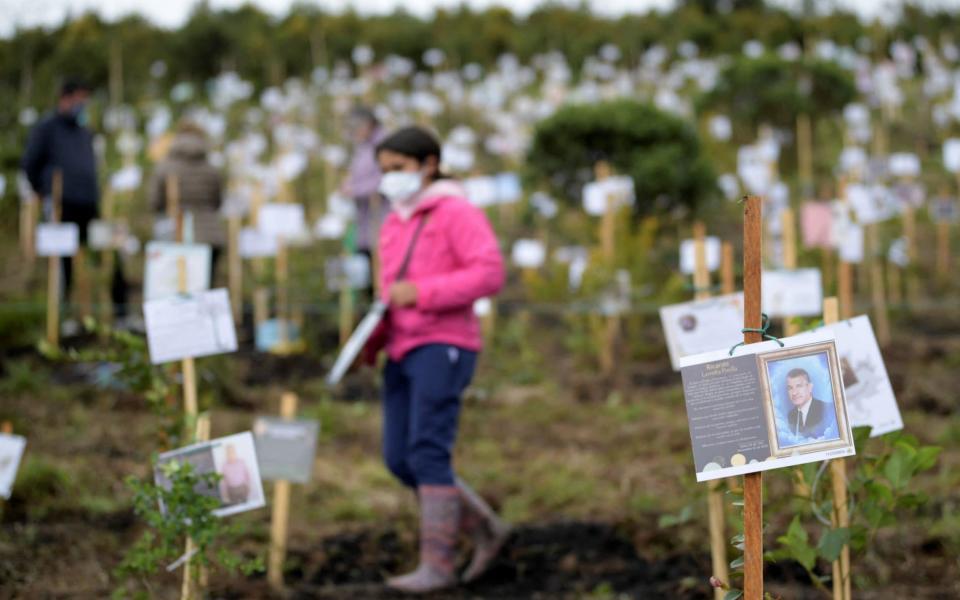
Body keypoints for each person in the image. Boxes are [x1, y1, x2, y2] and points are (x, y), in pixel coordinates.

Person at [373, 126, 509, 593]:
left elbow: (489, 273)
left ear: (429, 163)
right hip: (401, 346)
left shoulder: (456, 212)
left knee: (428, 451)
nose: (390, 178)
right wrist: (371, 341)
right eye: (384, 170)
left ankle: (438, 565)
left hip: (444, 343)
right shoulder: (395, 220)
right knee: (398, 457)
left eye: (399, 168)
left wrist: (424, 293)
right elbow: (390, 295)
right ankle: (485, 527)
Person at [22, 78, 128, 318]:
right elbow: (29, 164)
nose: (83, 105)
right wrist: (43, 190)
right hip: (62, 207)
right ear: (65, 98)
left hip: (90, 205)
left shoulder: (84, 132)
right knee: (63, 264)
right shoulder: (46, 129)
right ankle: (63, 317)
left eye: (86, 100)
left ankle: (121, 314)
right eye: (79, 99)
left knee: (111, 253)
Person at [149, 120, 226, 279]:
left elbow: (154, 202)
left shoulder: (164, 167)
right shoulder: (212, 169)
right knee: (204, 288)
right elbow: (217, 202)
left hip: (174, 234)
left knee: (174, 290)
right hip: (209, 236)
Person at [341, 106, 387, 294]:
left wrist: (356, 189)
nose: (353, 132)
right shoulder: (363, 146)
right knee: (367, 277)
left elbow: (385, 179)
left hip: (379, 220)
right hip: (365, 223)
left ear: (368, 125)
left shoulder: (383, 145)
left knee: (380, 276)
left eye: (355, 127)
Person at [784, 368, 837, 440]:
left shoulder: (828, 409)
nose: (794, 393)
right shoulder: (791, 415)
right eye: (790, 388)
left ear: (810, 387)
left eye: (799, 386)